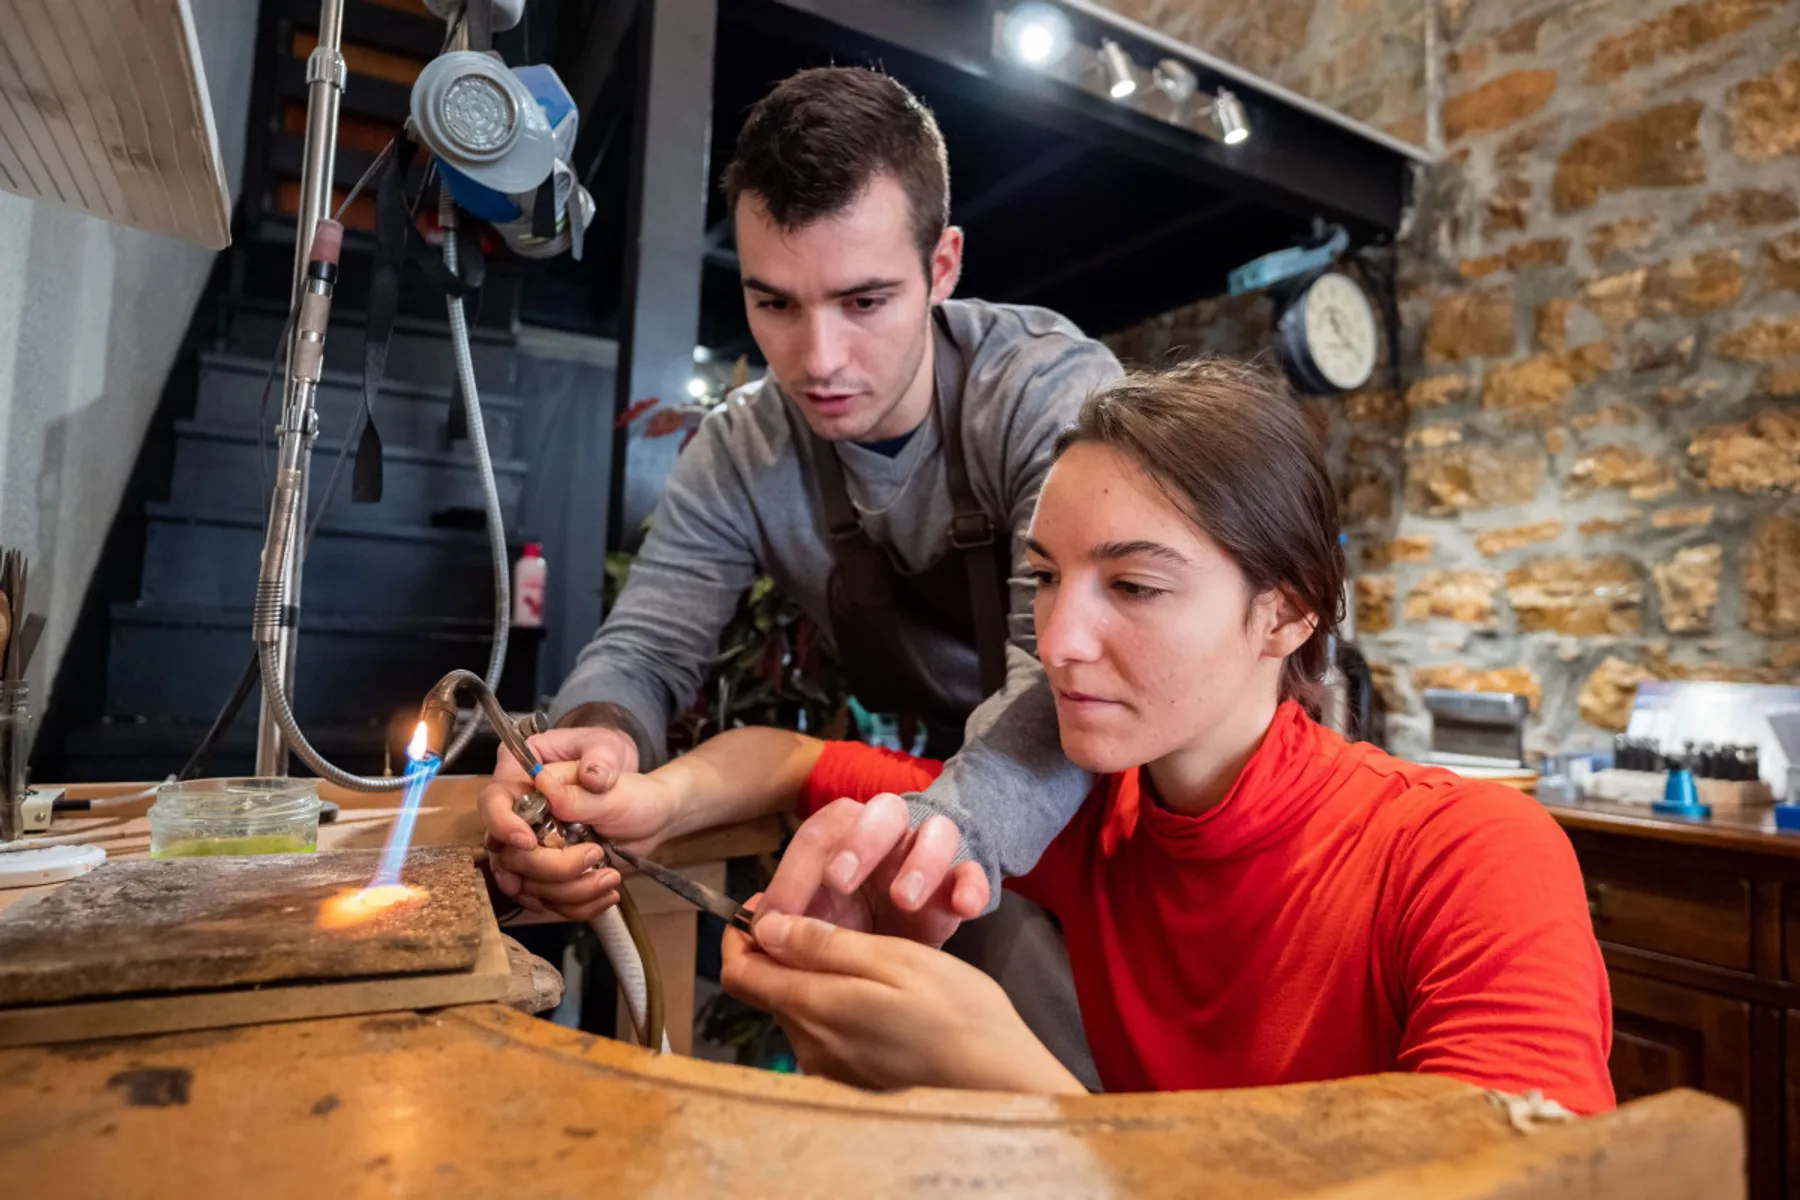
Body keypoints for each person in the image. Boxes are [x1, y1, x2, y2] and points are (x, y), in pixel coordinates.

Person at [525, 357, 1615, 1110]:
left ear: (1285, 612)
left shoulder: (1469, 856)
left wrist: (1016, 1090)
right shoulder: (1084, 816)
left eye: (1134, 585)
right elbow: (796, 761)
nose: (1058, 641)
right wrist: (650, 800)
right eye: (1043, 579)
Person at [479, 65, 1119, 1084]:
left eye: (865, 300)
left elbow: (1068, 677)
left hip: (1132, 809)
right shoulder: (743, 452)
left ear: (943, 263)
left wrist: (935, 839)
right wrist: (596, 735)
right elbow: (646, 647)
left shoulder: (1048, 397)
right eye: (774, 303)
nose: (818, 358)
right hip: (955, 800)